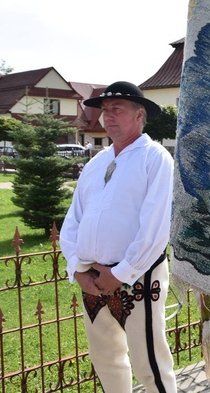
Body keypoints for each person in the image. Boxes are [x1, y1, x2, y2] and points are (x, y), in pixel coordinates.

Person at [60, 81, 177, 393]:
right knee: (106, 360)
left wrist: (121, 273)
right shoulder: (96, 163)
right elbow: (73, 221)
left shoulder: (156, 158)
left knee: (150, 364)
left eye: (117, 110)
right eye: (105, 110)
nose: (108, 117)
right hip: (93, 278)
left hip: (138, 278)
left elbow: (155, 227)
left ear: (139, 116)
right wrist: (76, 268)